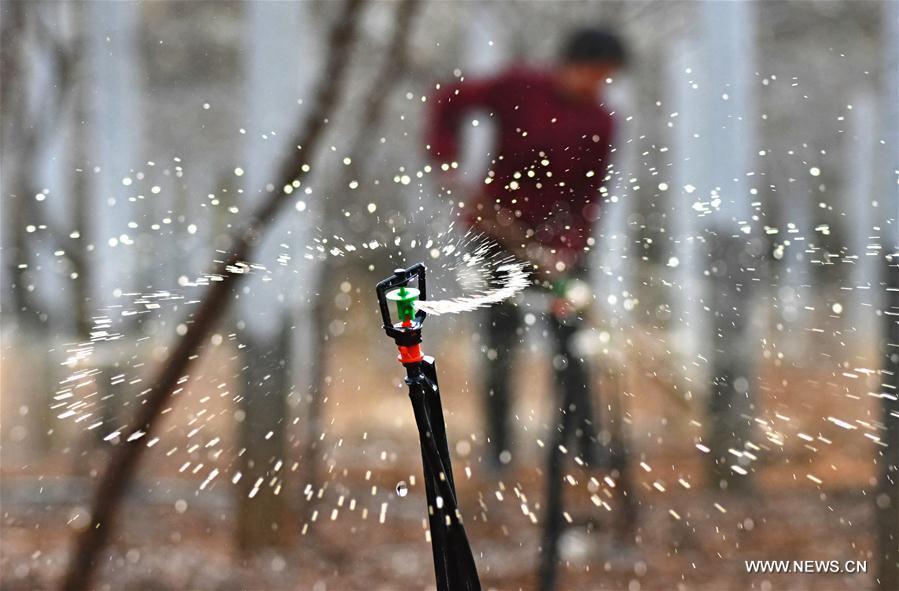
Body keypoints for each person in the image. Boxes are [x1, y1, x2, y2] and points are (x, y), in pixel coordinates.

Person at [426, 27, 628, 475]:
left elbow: (589, 195)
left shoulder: (602, 121)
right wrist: (446, 159)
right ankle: (499, 451)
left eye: (607, 76)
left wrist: (568, 249)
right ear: (572, 64)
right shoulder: (519, 88)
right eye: (595, 72)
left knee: (574, 344)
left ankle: (583, 445)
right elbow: (449, 100)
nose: (599, 84)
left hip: (560, 249)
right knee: (500, 342)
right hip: (494, 234)